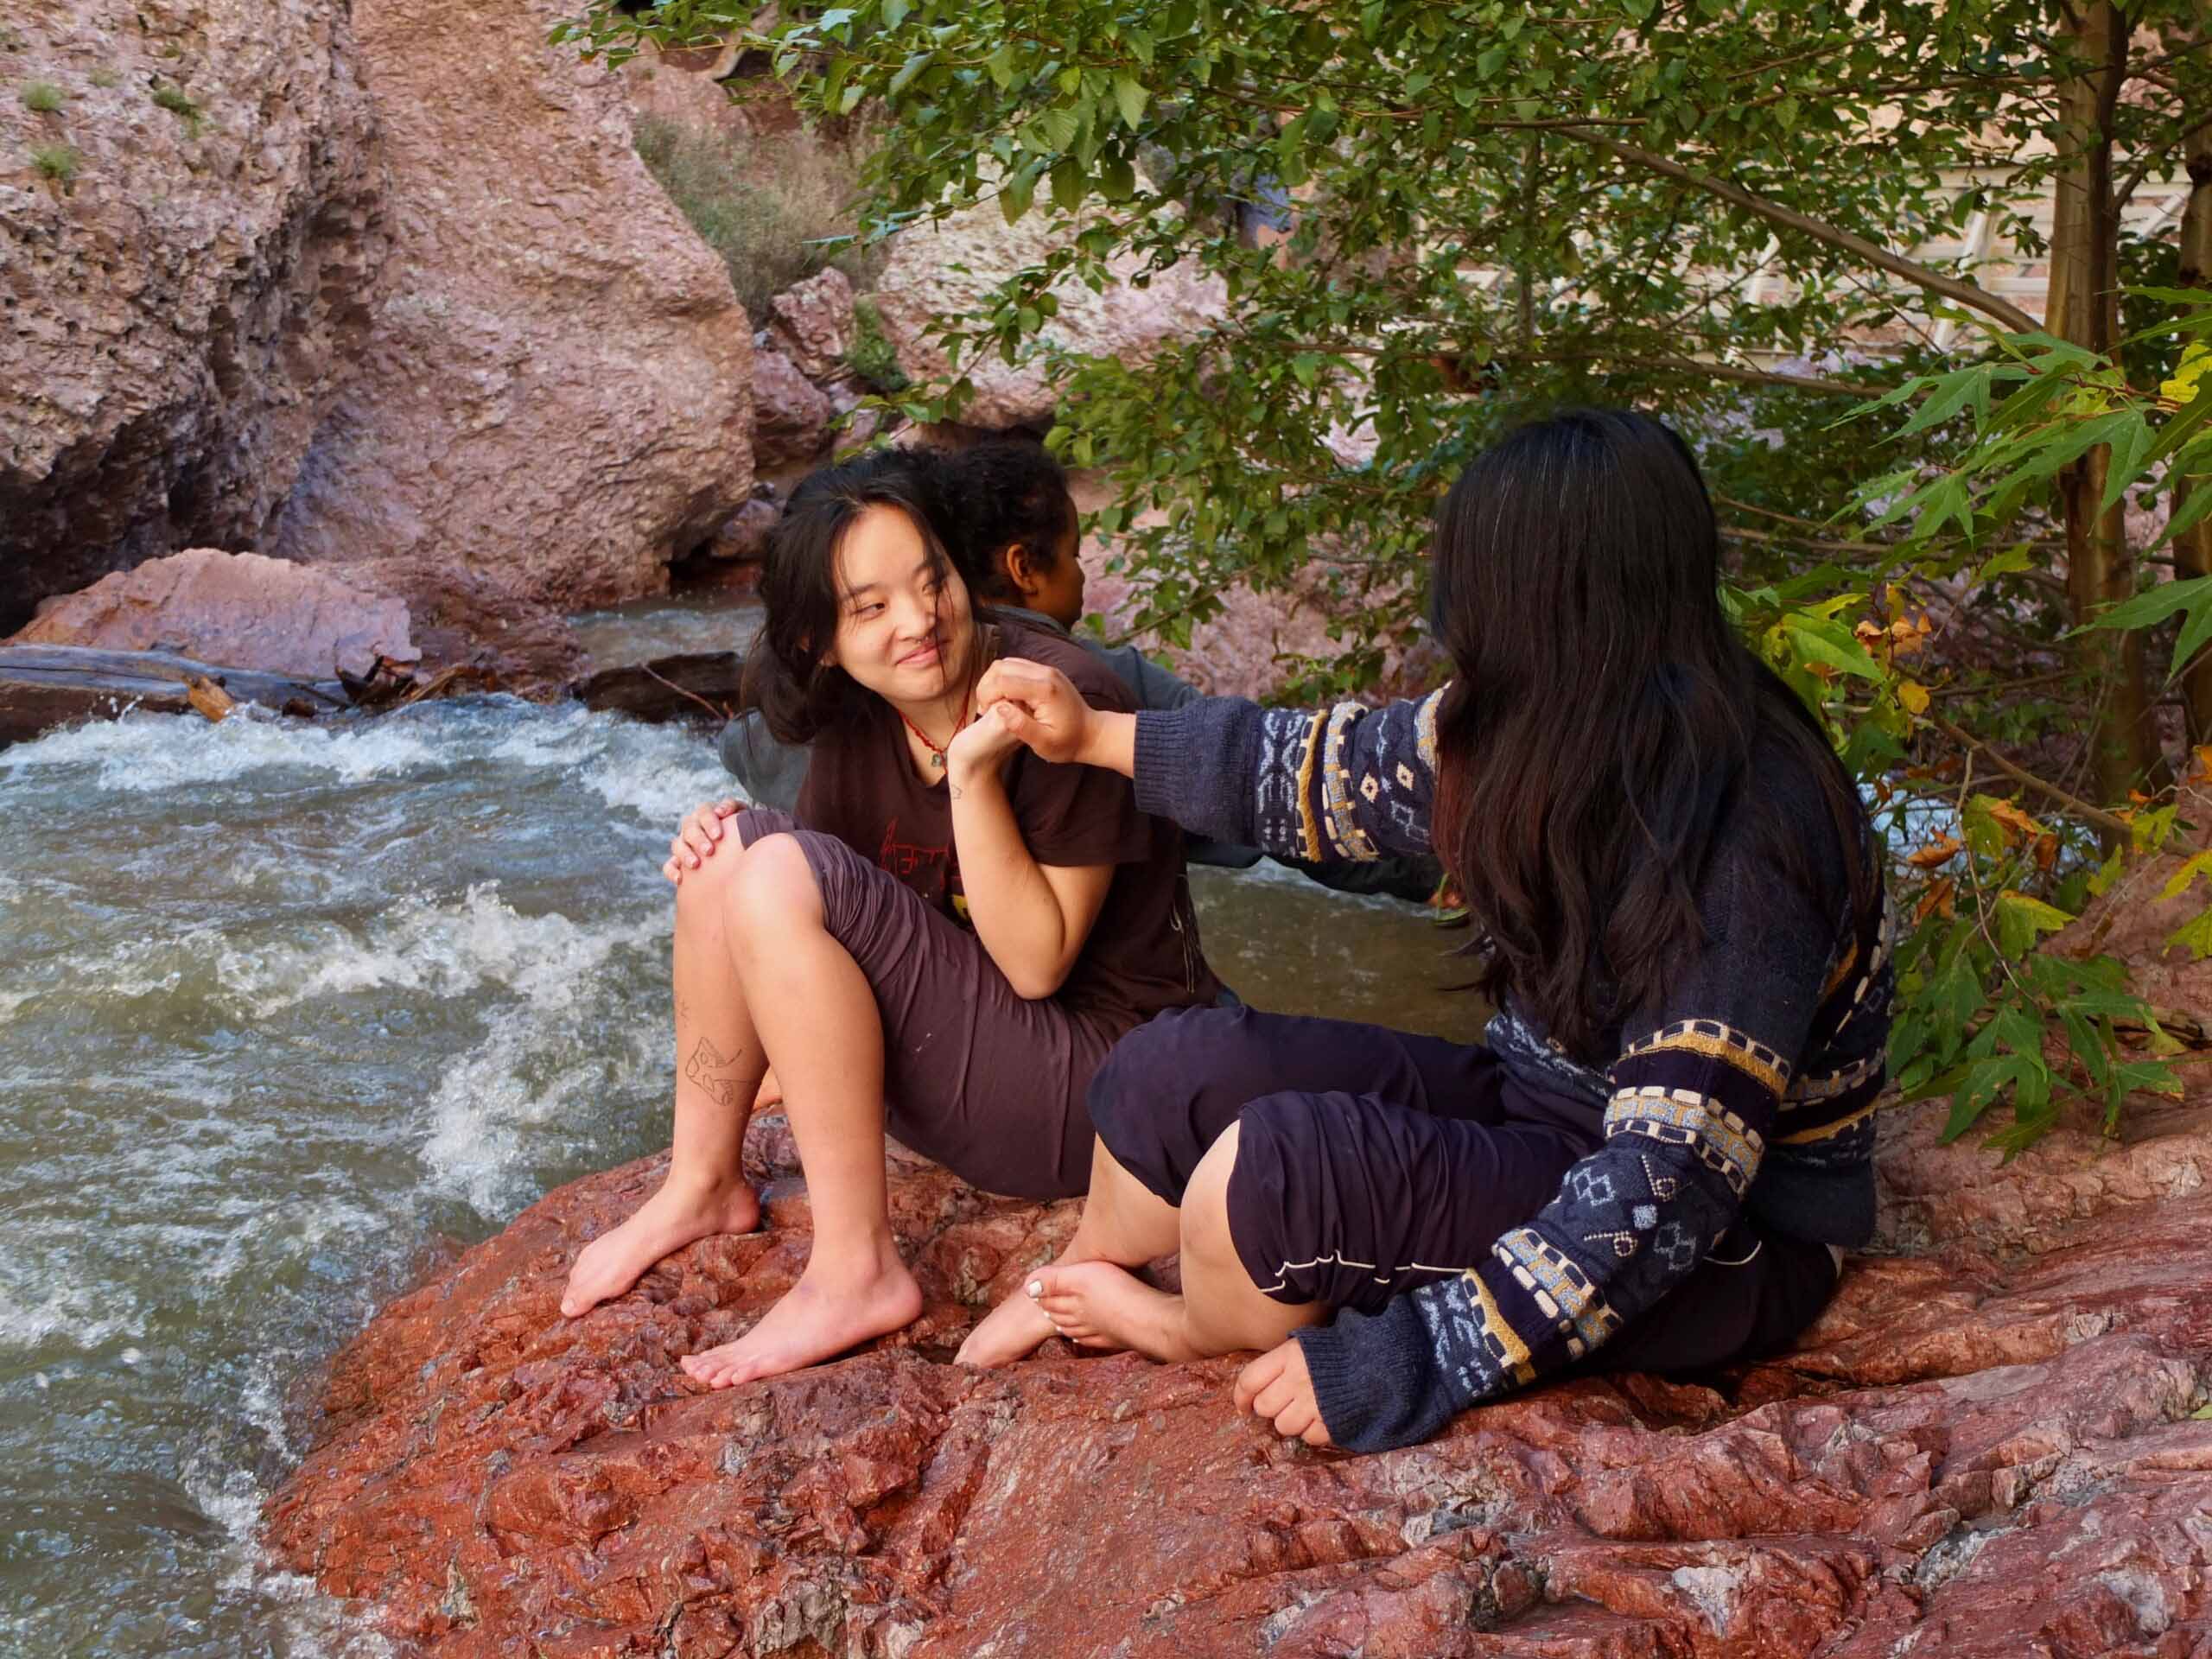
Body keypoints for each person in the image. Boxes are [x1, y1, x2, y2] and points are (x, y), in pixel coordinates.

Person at [961, 409, 1894, 1452]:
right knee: (1172, 1063)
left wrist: (1410, 1358)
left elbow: (1663, 1190)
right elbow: (1325, 771)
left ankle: (1178, 1328)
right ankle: (1080, 1273)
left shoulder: (1747, 829)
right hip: (1542, 1113)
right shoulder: (1538, 720)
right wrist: (1093, 735)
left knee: (1280, 1170)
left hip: (1731, 1243)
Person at [559, 447, 1222, 1389]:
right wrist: (728, 854)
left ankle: (856, 1269)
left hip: (1104, 1093)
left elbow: (1036, 965)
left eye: (932, 582)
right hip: (975, 1065)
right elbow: (820, 937)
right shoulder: (853, 716)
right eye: (870, 608)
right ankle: (701, 1184)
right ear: (819, 642)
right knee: (730, 852)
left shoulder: (1061, 696)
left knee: (771, 857)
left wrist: (974, 777)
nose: (920, 622)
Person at [721, 438, 1444, 901]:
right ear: (1021, 568)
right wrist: (1441, 869)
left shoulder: (799, 716)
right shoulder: (1105, 680)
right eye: (1072, 555)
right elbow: (1259, 795)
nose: (1081, 573)